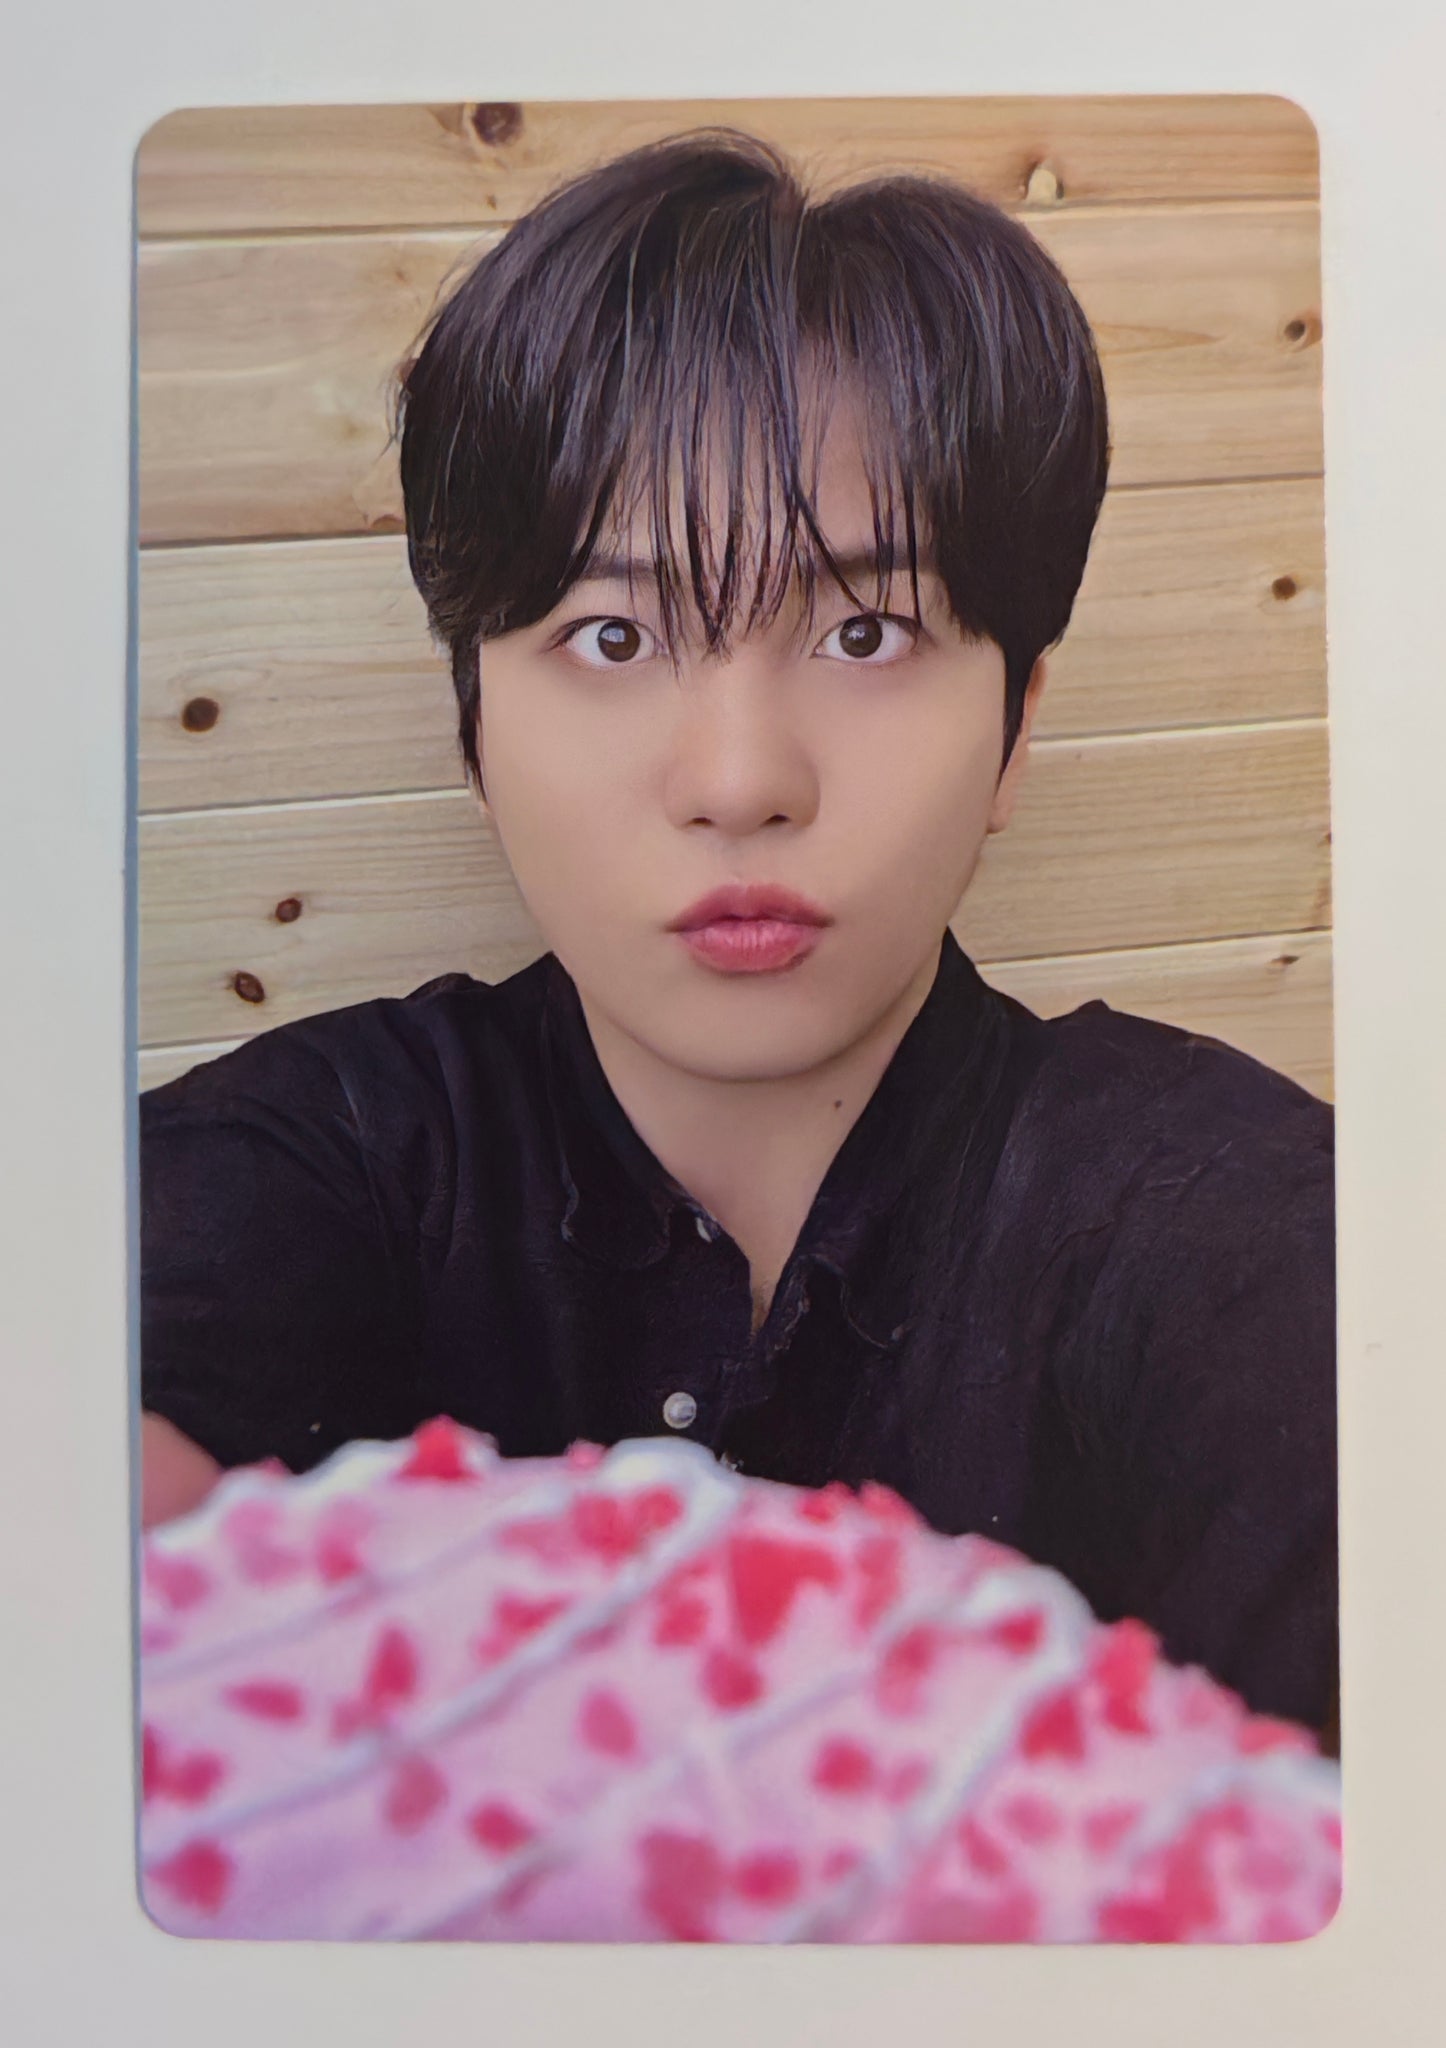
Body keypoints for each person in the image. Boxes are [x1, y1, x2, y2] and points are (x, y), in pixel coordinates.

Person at [138, 131, 1337, 1746]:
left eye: (865, 630)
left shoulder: (1225, 1225)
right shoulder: (321, 1159)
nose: (737, 781)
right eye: (610, 634)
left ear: (1016, 726)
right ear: (471, 730)